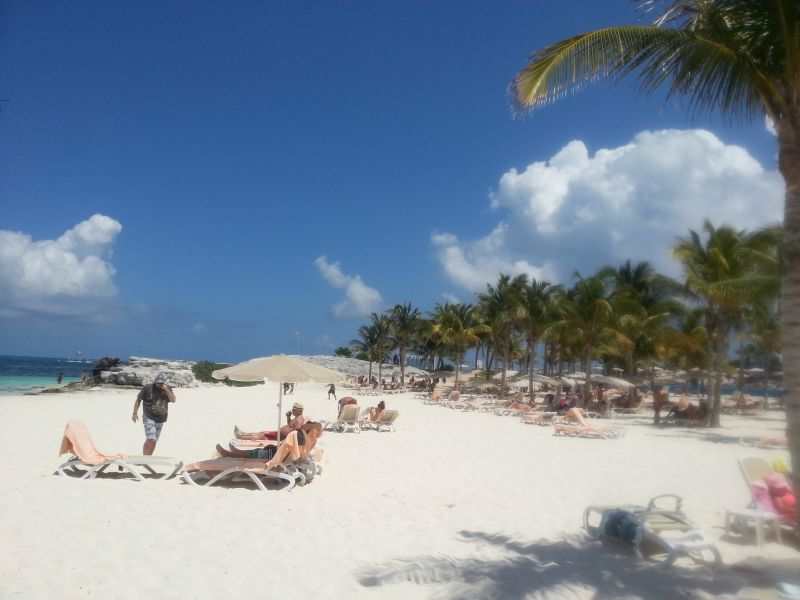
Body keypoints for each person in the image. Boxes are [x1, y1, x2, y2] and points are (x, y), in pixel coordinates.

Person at [216, 421, 323, 470]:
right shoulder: (309, 442)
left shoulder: (297, 437)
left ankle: (229, 454)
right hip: (276, 453)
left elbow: (280, 455)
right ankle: (235, 451)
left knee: (252, 454)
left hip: (272, 455)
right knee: (255, 451)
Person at [132, 373, 176, 455]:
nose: (159, 385)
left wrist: (167, 390)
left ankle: (148, 457)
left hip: (161, 418)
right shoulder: (148, 388)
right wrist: (135, 413)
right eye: (158, 383)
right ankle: (145, 457)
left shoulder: (167, 389)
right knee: (151, 438)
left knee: (154, 440)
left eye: (161, 383)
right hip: (149, 416)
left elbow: (173, 400)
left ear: (164, 383)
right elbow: (138, 399)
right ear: (155, 381)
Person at [235, 402, 306, 441]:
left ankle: (241, 437)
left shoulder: (299, 419)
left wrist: (284, 437)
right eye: (293, 408)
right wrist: (288, 417)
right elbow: (290, 425)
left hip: (280, 436)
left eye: (294, 409)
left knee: (262, 435)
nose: (292, 410)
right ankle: (243, 434)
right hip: (279, 434)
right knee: (262, 433)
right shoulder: (297, 417)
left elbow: (295, 432)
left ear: (299, 410)